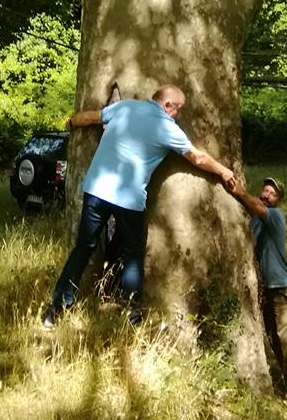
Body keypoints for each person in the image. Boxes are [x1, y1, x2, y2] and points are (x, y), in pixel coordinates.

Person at [42, 84, 235, 328]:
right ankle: (132, 315)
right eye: (178, 109)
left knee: (83, 247)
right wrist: (223, 171)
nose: (179, 115)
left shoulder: (125, 107)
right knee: (132, 256)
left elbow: (91, 117)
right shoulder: (167, 128)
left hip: (97, 190)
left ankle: (57, 308)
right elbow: (197, 157)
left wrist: (71, 122)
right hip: (129, 199)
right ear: (167, 105)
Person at [229, 176, 287, 399]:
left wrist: (239, 191)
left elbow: (258, 207)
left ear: (278, 200)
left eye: (272, 194)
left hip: (285, 292)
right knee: (275, 342)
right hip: (269, 292)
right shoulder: (255, 220)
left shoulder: (274, 216)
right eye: (265, 191)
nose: (267, 195)